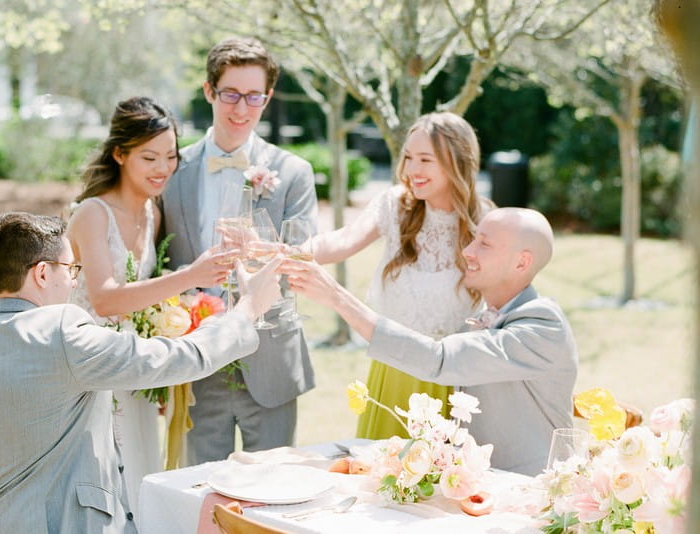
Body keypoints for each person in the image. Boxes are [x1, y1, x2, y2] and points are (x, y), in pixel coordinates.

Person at [0, 212, 280, 533]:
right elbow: (172, 358)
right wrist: (246, 311)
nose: (75, 282)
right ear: (43, 273)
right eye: (71, 269)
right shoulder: (59, 331)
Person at [283, 207, 578, 475]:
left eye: (484, 244)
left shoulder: (542, 326)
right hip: (480, 485)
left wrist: (337, 297)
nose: (467, 252)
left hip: (536, 493)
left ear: (521, 263)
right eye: (473, 240)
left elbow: (441, 360)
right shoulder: (481, 315)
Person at [66, 96, 234, 513]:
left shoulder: (151, 211)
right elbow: (105, 299)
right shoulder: (92, 213)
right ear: (120, 154)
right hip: (90, 373)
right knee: (99, 490)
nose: (163, 169)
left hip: (135, 369)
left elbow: (146, 297)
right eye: (150, 157)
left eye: (171, 157)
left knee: (139, 480)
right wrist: (192, 275)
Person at [161, 37, 318, 465]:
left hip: (269, 360)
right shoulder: (172, 169)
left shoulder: (293, 172)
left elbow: (304, 253)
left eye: (254, 97)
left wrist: (262, 249)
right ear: (209, 91)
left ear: (267, 98)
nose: (241, 108)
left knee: (270, 496)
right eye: (230, 94)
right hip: (198, 359)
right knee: (198, 490)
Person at [309, 111, 487, 439]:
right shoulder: (395, 206)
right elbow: (342, 240)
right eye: (407, 157)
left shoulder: (485, 222)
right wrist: (280, 250)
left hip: (454, 381)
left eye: (424, 159)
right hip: (395, 369)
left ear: (456, 161)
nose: (412, 170)